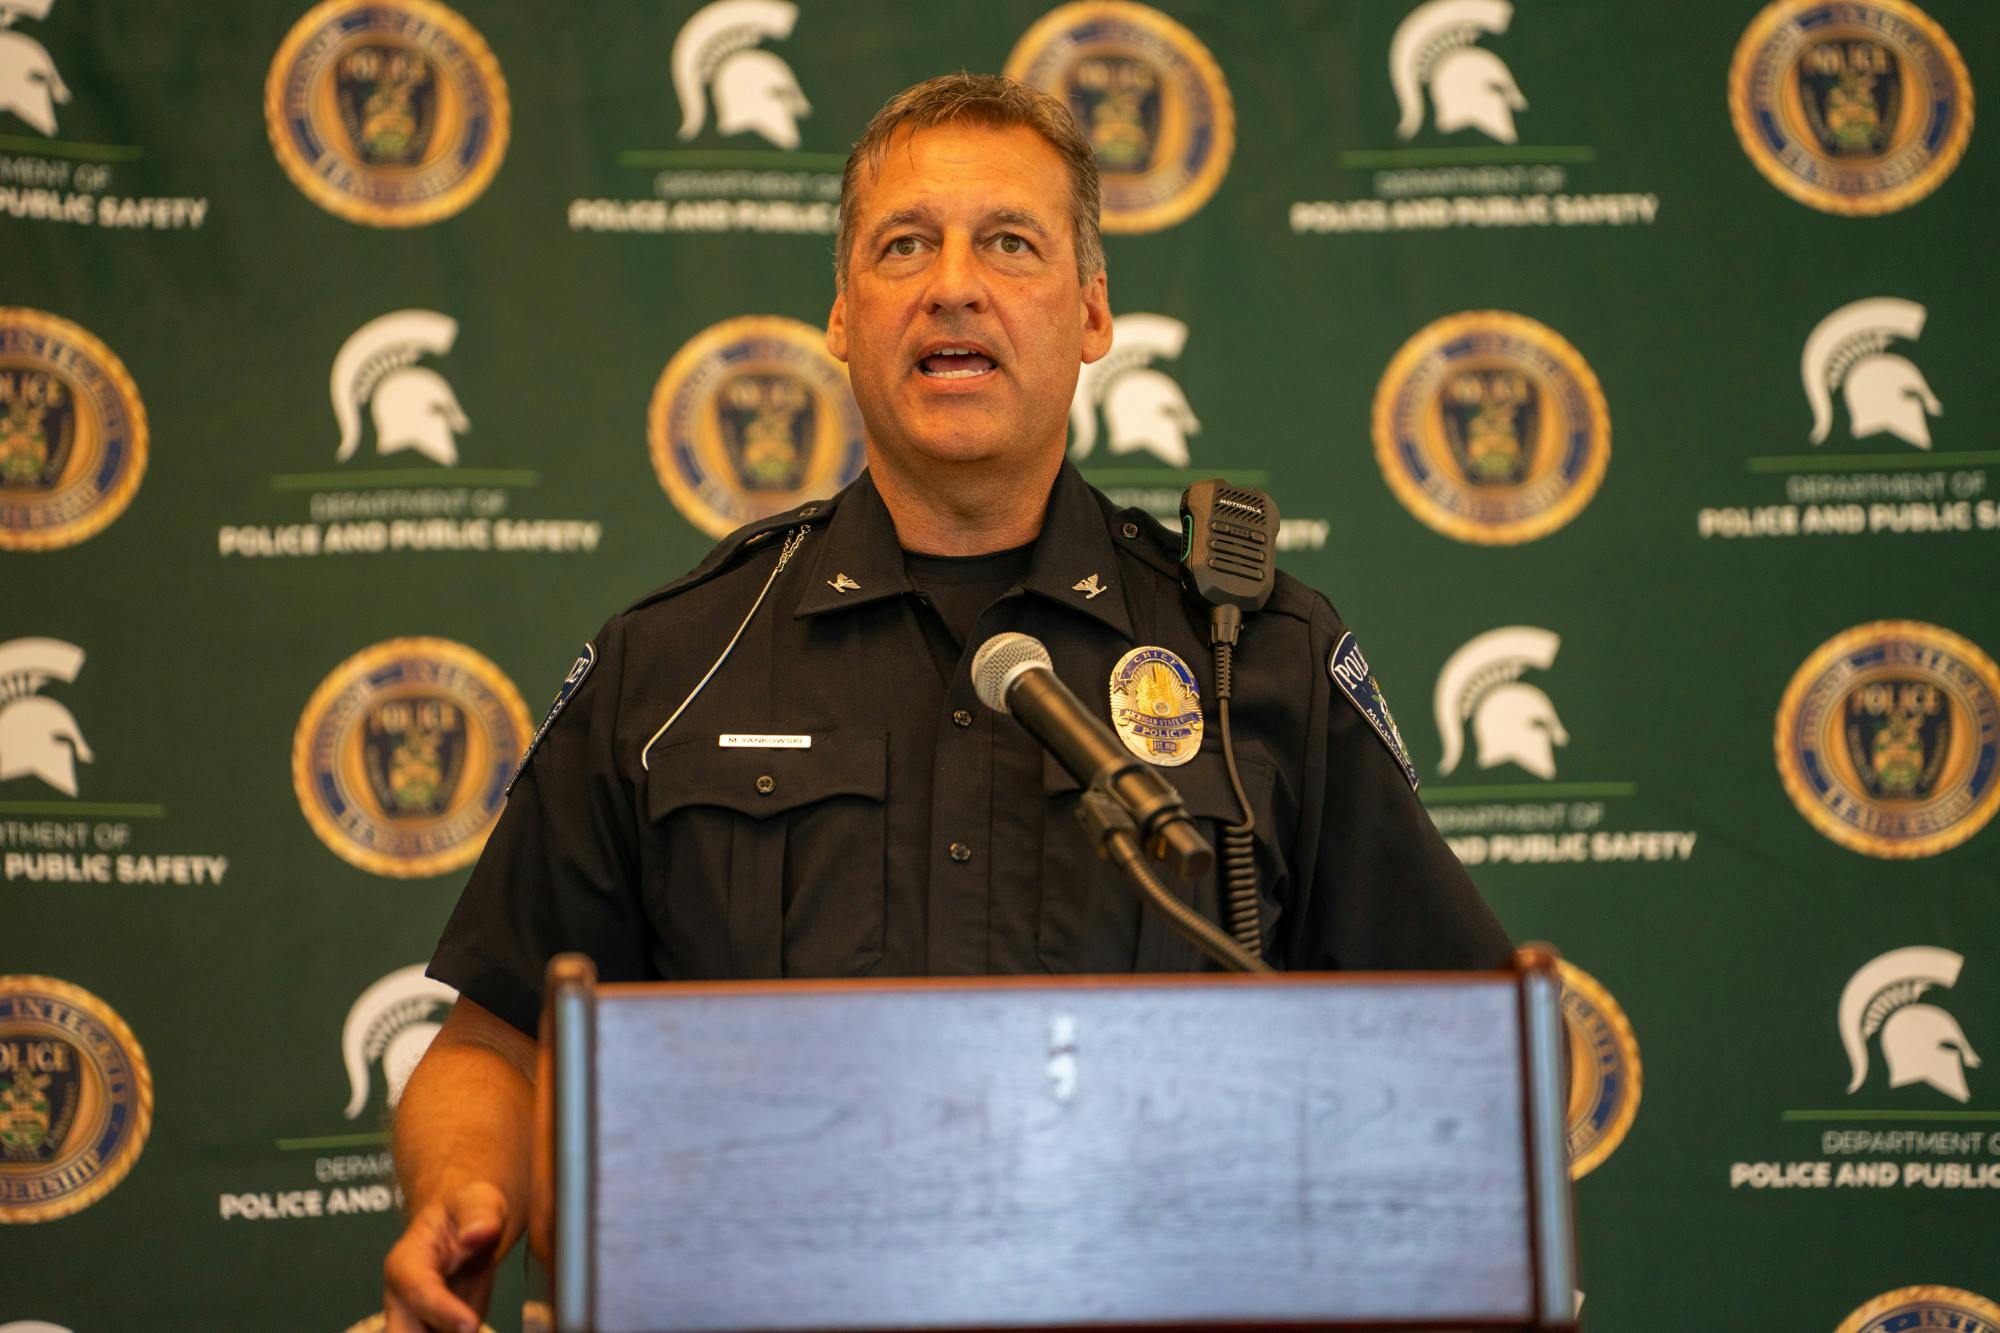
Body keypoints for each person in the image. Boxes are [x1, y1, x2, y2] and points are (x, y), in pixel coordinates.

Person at [383, 73, 1510, 1332]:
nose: (953, 283)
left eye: (1009, 243)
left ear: (1090, 311)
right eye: (903, 245)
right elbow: (496, 1048)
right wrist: (466, 1192)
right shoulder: (673, 663)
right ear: (841, 315)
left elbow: (1459, 1058)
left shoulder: (1257, 657)